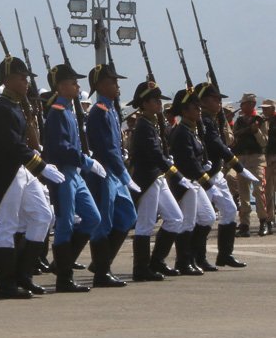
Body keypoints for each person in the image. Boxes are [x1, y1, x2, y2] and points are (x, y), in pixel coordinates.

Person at [0, 57, 59, 299]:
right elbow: (11, 145)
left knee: (43, 215)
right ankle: (4, 284)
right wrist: (40, 166)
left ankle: (23, 275)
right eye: (21, 77)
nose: (26, 82)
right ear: (7, 81)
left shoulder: (15, 105)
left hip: (21, 169)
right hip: (7, 172)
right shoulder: (2, 108)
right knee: (7, 225)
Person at [43, 64, 102, 293]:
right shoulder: (57, 112)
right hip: (65, 173)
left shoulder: (67, 110)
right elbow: (61, 148)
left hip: (75, 173)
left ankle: (62, 263)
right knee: (65, 224)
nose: (78, 86)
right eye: (73, 82)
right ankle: (64, 279)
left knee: (92, 217)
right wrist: (86, 161)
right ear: (60, 86)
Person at [85, 65, 138, 287]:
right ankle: (102, 272)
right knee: (103, 222)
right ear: (99, 85)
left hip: (114, 171)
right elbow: (106, 148)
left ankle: (101, 263)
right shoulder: (99, 111)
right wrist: (124, 173)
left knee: (128, 215)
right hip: (105, 172)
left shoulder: (111, 109)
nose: (117, 86)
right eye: (112, 82)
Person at [127, 81, 184, 281]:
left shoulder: (150, 123)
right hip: (148, 178)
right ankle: (140, 269)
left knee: (175, 218)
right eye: (155, 100)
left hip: (157, 177)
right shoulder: (143, 125)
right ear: (145, 103)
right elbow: (154, 154)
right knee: (145, 223)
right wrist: (176, 173)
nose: (159, 104)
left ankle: (156, 261)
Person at [195, 82, 252, 268]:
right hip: (204, 174)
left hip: (216, 172)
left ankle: (225, 255)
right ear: (203, 101)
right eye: (215, 99)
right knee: (203, 217)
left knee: (229, 210)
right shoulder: (202, 120)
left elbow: (225, 141)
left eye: (220, 99)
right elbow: (215, 144)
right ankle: (198, 258)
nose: (219, 102)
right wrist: (237, 165)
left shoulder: (213, 119)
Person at [168, 88, 215, 276]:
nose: (199, 111)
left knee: (208, 217)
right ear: (185, 111)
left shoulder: (191, 130)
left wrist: (204, 166)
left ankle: (195, 257)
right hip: (186, 182)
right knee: (187, 222)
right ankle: (183, 261)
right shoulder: (182, 132)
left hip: (194, 182)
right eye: (195, 108)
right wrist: (205, 179)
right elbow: (187, 161)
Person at [231, 93, 268, 235]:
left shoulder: (260, 120)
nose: (242, 106)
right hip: (242, 158)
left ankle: (263, 221)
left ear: (251, 104)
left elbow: (264, 141)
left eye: (245, 103)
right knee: (243, 192)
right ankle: (244, 224)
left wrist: (256, 131)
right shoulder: (239, 121)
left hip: (256, 158)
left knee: (259, 191)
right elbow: (234, 138)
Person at [263, 99, 276, 233]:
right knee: (268, 191)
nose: (265, 110)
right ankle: (270, 219)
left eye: (267, 108)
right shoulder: (262, 122)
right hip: (267, 158)